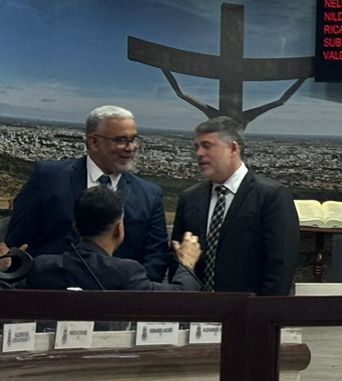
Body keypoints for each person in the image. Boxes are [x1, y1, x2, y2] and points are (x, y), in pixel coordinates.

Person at [3, 105, 170, 280]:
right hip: (49, 291)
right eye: (121, 140)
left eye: (134, 139)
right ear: (93, 142)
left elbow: (155, 259)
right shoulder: (48, 178)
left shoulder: (150, 195)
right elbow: (16, 241)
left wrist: (132, 293)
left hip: (119, 295)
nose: (131, 147)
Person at [171, 117, 300, 295]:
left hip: (248, 307)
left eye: (207, 146)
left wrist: (264, 309)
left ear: (233, 148)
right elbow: (177, 256)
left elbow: (281, 265)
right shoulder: (190, 198)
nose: (199, 153)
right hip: (196, 306)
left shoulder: (271, 196)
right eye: (197, 147)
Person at [17, 186, 203, 290]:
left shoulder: (42, 266)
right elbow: (179, 295)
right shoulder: (127, 273)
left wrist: (7, 267)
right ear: (118, 230)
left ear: (75, 226)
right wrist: (186, 263)